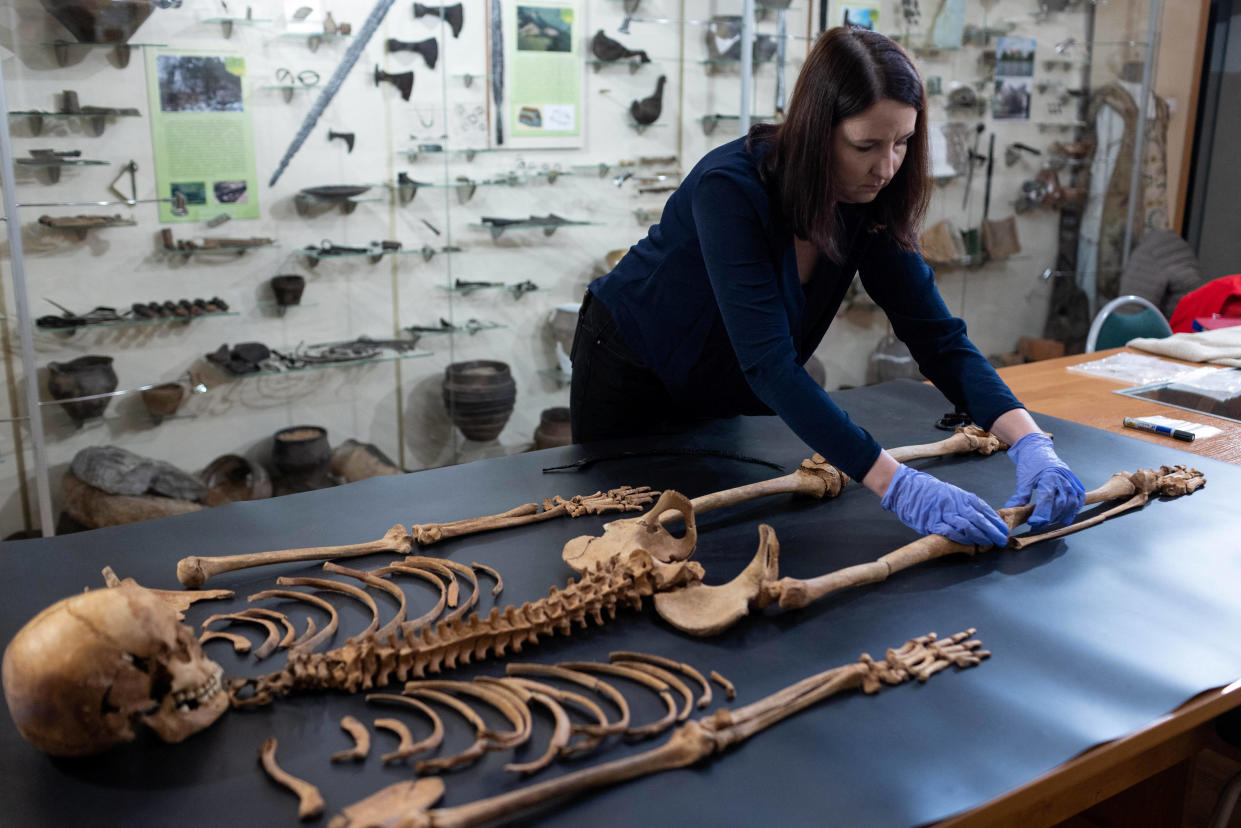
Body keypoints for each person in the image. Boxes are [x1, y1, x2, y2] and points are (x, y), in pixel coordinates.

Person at [569, 26, 1084, 547]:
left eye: (903, 143)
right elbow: (769, 363)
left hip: (718, 379)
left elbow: (938, 338)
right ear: (818, 131)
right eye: (866, 145)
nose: (886, 168)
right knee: (615, 538)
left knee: (710, 539)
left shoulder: (868, 200)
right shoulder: (730, 189)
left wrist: (1031, 443)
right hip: (631, 367)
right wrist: (897, 485)